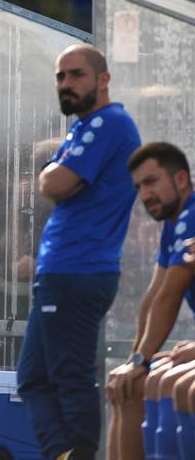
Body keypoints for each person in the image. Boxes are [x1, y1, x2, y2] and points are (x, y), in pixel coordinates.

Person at [17, 44, 141, 460]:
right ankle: (62, 453)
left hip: (78, 269)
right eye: (60, 76)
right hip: (62, 269)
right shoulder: (86, 124)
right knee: (32, 377)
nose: (66, 84)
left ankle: (81, 454)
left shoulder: (107, 123)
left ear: (103, 79)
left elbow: (53, 182)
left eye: (76, 74)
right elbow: (55, 180)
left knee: (69, 377)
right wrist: (54, 175)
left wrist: (53, 174)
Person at [106, 142, 195, 459]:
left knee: (169, 386)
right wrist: (134, 363)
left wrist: (141, 362)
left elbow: (169, 298)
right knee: (130, 387)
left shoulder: (191, 218)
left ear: (181, 180)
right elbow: (154, 297)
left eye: (151, 181)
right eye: (139, 186)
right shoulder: (176, 224)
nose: (144, 194)